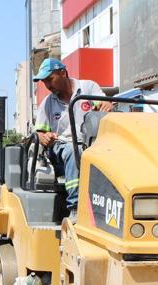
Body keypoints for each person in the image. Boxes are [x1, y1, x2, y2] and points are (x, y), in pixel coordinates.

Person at [34, 57, 113, 222]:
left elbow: (104, 106)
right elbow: (40, 132)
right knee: (72, 150)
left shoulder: (88, 87)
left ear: (62, 72)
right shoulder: (47, 103)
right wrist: (44, 137)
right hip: (62, 149)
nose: (48, 85)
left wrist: (106, 105)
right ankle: (75, 207)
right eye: (44, 82)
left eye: (50, 79)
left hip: (92, 145)